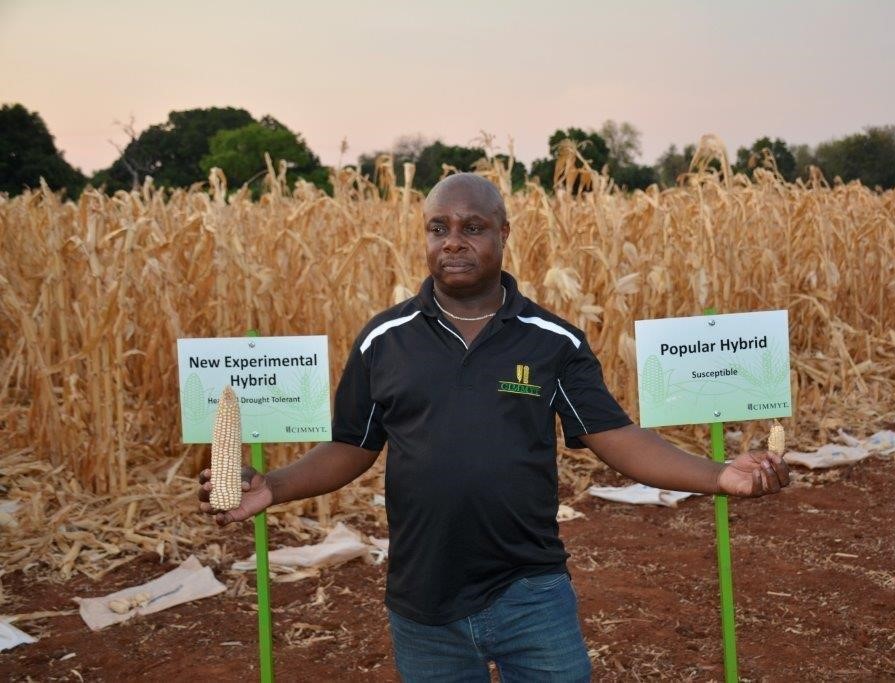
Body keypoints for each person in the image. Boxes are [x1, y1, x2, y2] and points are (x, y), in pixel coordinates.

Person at [198, 173, 790, 682]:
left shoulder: (551, 340)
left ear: (504, 234)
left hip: (530, 592)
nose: (453, 242)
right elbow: (352, 446)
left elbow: (617, 436)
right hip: (423, 599)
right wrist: (273, 486)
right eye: (438, 227)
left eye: (473, 227)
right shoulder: (385, 340)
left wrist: (720, 476)